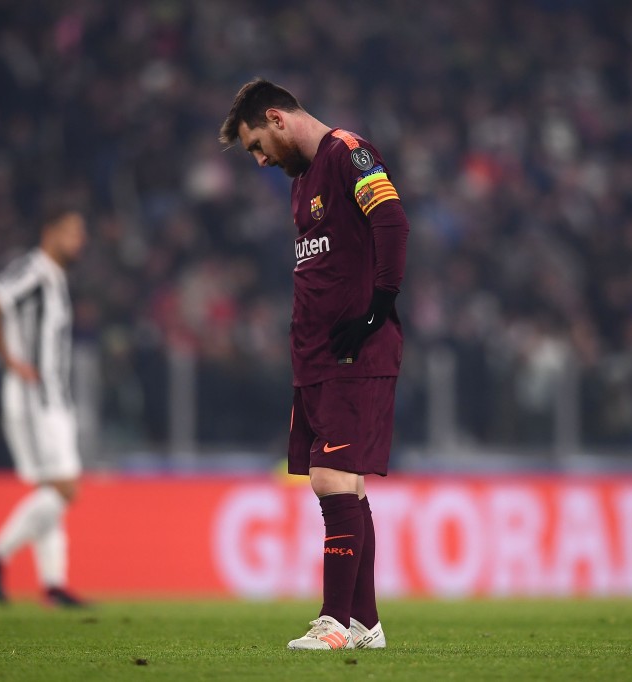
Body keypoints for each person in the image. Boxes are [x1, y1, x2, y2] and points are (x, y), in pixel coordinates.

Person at [220, 79, 410, 650]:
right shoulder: (302, 180)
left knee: (332, 479)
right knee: (345, 485)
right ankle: (365, 624)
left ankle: (334, 622)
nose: (259, 160)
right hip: (315, 357)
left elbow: (392, 221)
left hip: (354, 350)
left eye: (258, 145)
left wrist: (378, 309)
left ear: (277, 119)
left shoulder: (349, 153)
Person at [0, 205, 89, 608]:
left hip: (52, 398)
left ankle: (53, 585)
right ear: (49, 232)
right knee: (65, 489)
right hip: (35, 397)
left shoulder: (55, 279)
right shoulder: (33, 272)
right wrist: (9, 359)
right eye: (72, 232)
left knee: (50, 492)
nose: (80, 241)